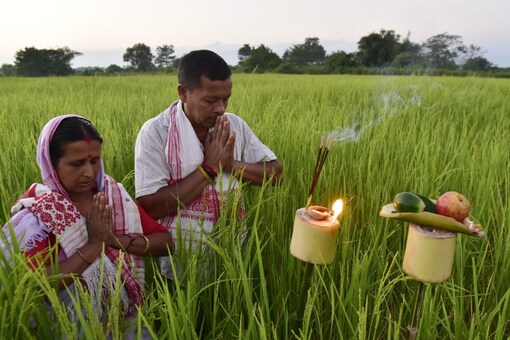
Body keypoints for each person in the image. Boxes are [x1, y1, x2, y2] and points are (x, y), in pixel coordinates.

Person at [1, 114, 174, 324]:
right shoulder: (41, 212)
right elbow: (30, 283)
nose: (89, 172)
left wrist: (113, 241)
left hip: (123, 322)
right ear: (51, 165)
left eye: (95, 161)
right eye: (77, 164)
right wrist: (94, 245)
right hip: (64, 325)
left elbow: (166, 242)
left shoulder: (113, 197)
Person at [134, 49, 282, 281]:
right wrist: (209, 169)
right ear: (184, 93)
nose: (221, 109)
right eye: (210, 100)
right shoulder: (157, 132)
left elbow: (276, 174)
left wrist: (230, 164)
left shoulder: (234, 126)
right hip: (178, 263)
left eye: (226, 99)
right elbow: (150, 206)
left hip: (232, 255)